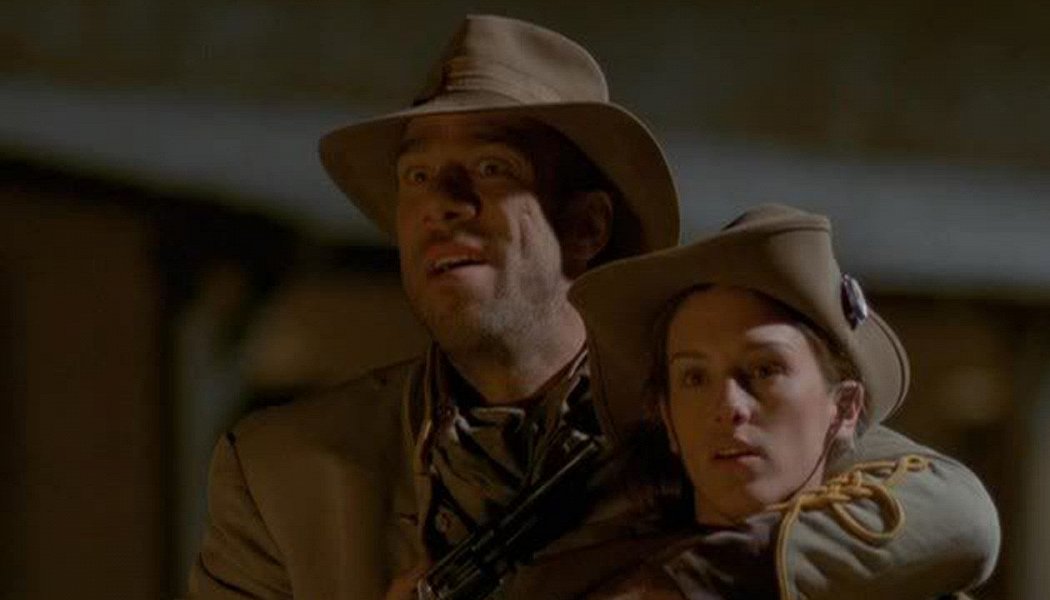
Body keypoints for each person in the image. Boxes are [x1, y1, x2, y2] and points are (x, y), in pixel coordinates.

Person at [189, 15, 999, 600]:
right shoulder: (279, 471)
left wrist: (679, 582)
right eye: (417, 177)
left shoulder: (693, 408)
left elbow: (948, 509)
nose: (443, 203)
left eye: (493, 168)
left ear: (586, 228)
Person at [569, 204, 997, 599]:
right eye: (694, 377)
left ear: (845, 408)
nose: (728, 406)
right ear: (667, 418)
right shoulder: (598, 582)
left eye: (764, 370)